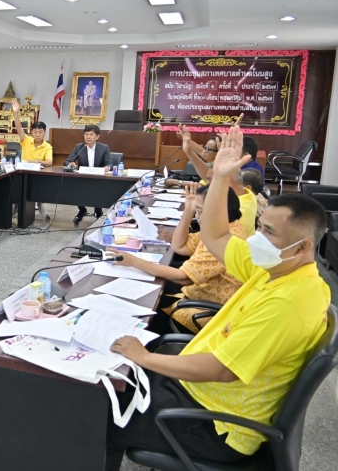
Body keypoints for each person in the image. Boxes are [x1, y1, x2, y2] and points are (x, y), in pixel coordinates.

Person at [106, 124, 330, 471]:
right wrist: (221, 176)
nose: (257, 238)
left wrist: (144, 358)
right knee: (116, 378)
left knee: (98, 407)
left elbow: (221, 370)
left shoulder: (290, 301)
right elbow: (216, 237)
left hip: (217, 422)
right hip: (200, 391)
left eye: (268, 232)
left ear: (302, 247)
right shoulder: (276, 267)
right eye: (259, 226)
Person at [112, 183, 246, 334]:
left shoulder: (225, 240)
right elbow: (179, 247)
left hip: (205, 313)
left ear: (217, 211)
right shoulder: (224, 226)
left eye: (200, 211)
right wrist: (188, 211)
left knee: (139, 317)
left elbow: (183, 278)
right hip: (196, 296)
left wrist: (134, 261)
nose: (197, 216)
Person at [178, 125, 256, 235]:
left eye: (212, 182)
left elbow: (211, 240)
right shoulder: (245, 195)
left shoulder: (239, 213)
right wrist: (189, 152)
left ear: (225, 183)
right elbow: (209, 175)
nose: (208, 185)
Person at [12, 99, 53, 221]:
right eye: (35, 132)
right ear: (32, 132)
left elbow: (49, 162)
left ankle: (42, 210)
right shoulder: (26, 140)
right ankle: (14, 211)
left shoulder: (47, 146)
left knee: (37, 192)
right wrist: (16, 113)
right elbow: (19, 128)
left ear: (44, 132)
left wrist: (38, 162)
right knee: (18, 192)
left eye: (40, 132)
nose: (38, 134)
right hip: (23, 175)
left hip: (37, 176)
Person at [64, 124, 112, 224]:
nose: (88, 137)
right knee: (75, 188)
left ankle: (98, 210)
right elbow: (68, 161)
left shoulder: (104, 148)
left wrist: (107, 167)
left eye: (91, 134)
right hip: (83, 177)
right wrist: (71, 164)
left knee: (98, 190)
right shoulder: (79, 147)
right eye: (86, 134)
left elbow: (109, 163)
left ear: (97, 137)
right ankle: (82, 210)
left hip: (98, 178)